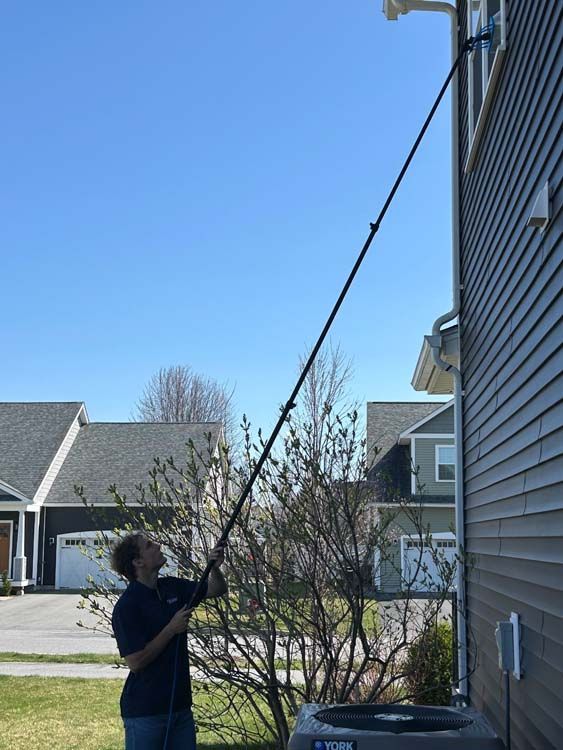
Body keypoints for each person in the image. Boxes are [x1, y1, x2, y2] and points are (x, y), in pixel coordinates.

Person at [110, 533, 228, 750]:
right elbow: (135, 662)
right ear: (138, 562)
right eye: (149, 545)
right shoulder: (127, 607)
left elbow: (216, 589)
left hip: (181, 708)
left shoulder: (172, 587)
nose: (158, 545)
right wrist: (171, 629)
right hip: (145, 712)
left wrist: (214, 567)